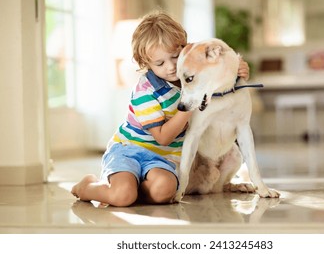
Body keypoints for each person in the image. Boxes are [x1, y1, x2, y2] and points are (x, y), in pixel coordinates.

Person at [71, 11, 249, 207]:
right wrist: (189, 106)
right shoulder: (145, 91)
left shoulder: (192, 76)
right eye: (160, 63)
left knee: (165, 191)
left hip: (163, 159)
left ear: (185, 49)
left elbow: (220, 68)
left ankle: (134, 187)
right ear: (145, 63)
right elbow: (163, 137)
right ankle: (87, 187)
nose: (171, 67)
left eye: (175, 57)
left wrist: (239, 70)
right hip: (129, 151)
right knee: (123, 196)